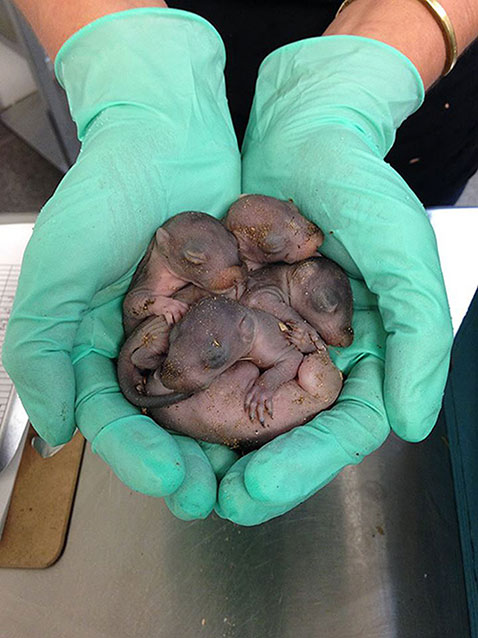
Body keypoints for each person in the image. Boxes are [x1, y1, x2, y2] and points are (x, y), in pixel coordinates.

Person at [2, 0, 477, 525]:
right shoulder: (228, 306)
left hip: (416, 78)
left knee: (372, 228)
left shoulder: (265, 314)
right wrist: (133, 72)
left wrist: (366, 71)